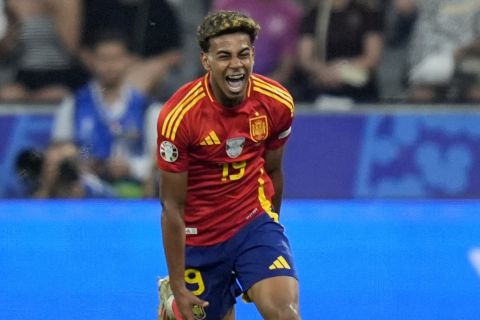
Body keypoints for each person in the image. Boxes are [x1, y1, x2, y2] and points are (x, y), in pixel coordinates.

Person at [156, 10, 299, 320]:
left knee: (285, 314)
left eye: (243, 55)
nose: (236, 65)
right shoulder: (180, 116)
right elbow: (172, 207)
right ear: (206, 61)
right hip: (200, 238)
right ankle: (172, 302)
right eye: (224, 56)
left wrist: (270, 229)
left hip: (252, 224)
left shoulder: (277, 102)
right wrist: (179, 284)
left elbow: (273, 171)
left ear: (253, 55)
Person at [52, 30, 158, 198]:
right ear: (92, 61)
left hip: (134, 189)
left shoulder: (147, 107)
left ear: (128, 60)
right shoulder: (74, 104)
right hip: (85, 188)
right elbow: (60, 151)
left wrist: (132, 167)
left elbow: (160, 158)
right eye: (103, 59)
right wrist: (82, 163)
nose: (109, 66)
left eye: (116, 59)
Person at [295, 0, 384, 103]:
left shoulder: (367, 12)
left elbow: (372, 57)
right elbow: (305, 58)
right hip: (322, 83)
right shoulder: (314, 14)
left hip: (358, 86)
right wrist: (323, 71)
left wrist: (342, 69)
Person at [211, 0, 303, 85]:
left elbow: (287, 64)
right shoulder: (227, 6)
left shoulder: (290, 12)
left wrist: (261, 87)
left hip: (272, 85)